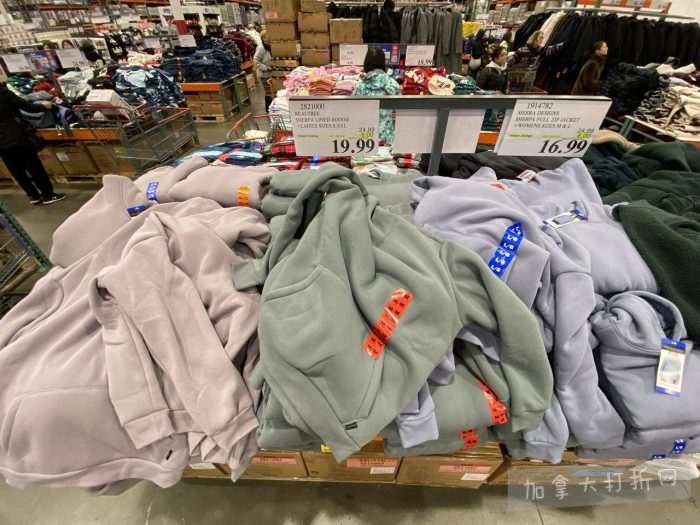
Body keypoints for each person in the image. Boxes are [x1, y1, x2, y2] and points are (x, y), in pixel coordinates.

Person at [0, 83, 64, 205]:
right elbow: (27, 107)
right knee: (34, 166)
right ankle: (48, 195)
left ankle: (33, 196)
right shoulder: (3, 92)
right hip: (15, 135)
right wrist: (44, 106)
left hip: (2, 143)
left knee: (16, 170)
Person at [352, 46, 401, 144]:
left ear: (366, 62)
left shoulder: (360, 86)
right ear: (383, 63)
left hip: (364, 138)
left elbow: (353, 112)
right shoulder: (393, 84)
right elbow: (400, 111)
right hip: (386, 138)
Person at [254, 30, 272, 110]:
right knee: (268, 91)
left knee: (270, 90)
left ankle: (270, 108)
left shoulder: (269, 46)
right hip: (264, 74)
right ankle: (268, 109)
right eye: (267, 36)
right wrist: (265, 68)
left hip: (270, 73)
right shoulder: (261, 48)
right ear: (263, 38)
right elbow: (255, 60)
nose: (269, 37)